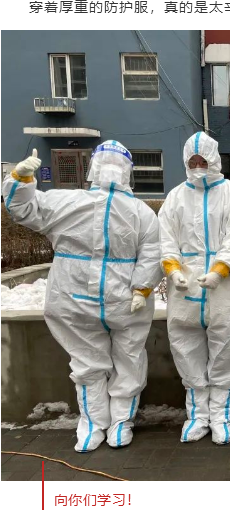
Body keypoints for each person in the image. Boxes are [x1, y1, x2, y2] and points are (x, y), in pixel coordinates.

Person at [2, 143, 161, 452]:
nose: (111, 168)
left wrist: (142, 287)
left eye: (117, 163)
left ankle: (121, 421)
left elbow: (152, 252)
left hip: (125, 302)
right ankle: (93, 423)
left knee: (128, 361)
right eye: (106, 162)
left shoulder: (140, 213)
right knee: (88, 365)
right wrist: (20, 181)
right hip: (75, 300)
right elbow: (24, 209)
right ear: (94, 168)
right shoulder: (69, 201)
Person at [158, 132, 230, 445]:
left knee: (227, 352)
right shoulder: (175, 197)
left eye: (203, 160)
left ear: (214, 160)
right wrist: (172, 269)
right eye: (193, 161)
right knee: (187, 352)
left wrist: (221, 269)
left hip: (226, 288)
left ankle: (223, 417)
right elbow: (166, 237)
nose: (198, 166)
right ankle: (197, 417)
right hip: (185, 289)